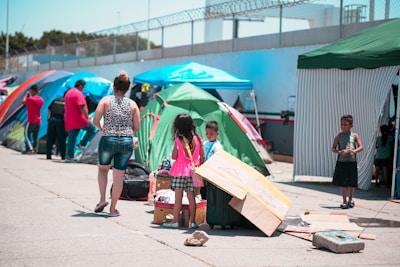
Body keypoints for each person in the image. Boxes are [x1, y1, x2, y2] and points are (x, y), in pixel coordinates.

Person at [93, 71, 140, 217]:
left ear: (113, 86)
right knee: (119, 176)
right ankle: (113, 209)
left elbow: (95, 120)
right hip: (126, 140)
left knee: (103, 169)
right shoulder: (132, 104)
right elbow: (137, 127)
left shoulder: (106, 101)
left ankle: (102, 200)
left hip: (108, 138)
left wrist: (102, 128)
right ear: (127, 88)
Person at [162, 113, 205, 228]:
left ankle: (175, 221)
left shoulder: (178, 140)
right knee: (192, 197)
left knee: (178, 197)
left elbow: (174, 156)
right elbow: (202, 155)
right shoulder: (198, 139)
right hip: (192, 171)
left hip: (180, 171)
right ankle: (193, 222)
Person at [331, 114, 363, 209]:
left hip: (352, 161)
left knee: (352, 182)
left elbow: (361, 147)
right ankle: (344, 200)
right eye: (341, 124)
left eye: (345, 124)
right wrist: (339, 152)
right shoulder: (338, 136)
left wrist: (354, 151)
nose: (343, 126)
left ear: (351, 125)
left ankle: (351, 199)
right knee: (343, 182)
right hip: (342, 161)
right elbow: (333, 148)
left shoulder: (354, 135)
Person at [64, 79, 96, 162]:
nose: (83, 89)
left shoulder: (68, 93)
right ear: (81, 86)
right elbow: (81, 106)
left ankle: (69, 156)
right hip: (79, 119)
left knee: (72, 138)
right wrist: (87, 117)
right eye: (83, 87)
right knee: (92, 129)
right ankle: (82, 144)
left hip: (70, 119)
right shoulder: (78, 93)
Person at [201, 120, 224, 199]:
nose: (208, 135)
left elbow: (218, 160)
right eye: (207, 133)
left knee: (210, 192)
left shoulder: (217, 146)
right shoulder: (204, 143)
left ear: (217, 133)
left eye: (211, 133)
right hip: (203, 172)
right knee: (203, 191)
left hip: (212, 173)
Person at [22, 84, 44, 154]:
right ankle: (35, 149)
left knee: (26, 135)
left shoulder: (30, 99)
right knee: (36, 136)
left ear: (33, 91)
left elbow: (23, 102)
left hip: (31, 120)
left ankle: (30, 149)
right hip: (38, 120)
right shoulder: (41, 99)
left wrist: (26, 94)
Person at [46, 95, 67, 160]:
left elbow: (49, 109)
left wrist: (49, 118)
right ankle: (63, 155)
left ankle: (48, 155)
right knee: (61, 139)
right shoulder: (67, 101)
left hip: (52, 119)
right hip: (61, 120)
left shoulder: (56, 99)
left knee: (50, 138)